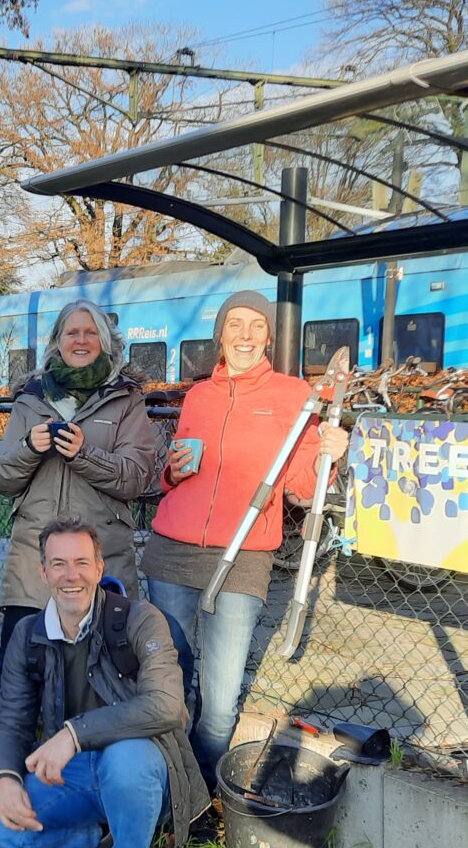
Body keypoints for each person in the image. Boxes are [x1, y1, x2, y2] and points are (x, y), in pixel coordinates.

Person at [142, 291, 349, 781]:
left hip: (244, 558)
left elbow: (302, 488)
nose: (245, 336)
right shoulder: (199, 396)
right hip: (173, 551)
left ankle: (201, 793)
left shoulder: (293, 395)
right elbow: (174, 477)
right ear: (220, 334)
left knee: (219, 699)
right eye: (235, 324)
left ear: (270, 337)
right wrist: (171, 472)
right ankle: (169, 787)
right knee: (171, 682)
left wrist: (330, 455)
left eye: (257, 326)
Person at [0, 517, 207, 848]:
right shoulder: (28, 634)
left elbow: (167, 705)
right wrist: (5, 779)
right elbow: (10, 719)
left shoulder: (138, 618)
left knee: (127, 758)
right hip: (72, 775)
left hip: (143, 772)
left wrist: (73, 735)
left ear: (99, 568)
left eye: (81, 562)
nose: (70, 575)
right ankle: (92, 838)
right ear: (43, 572)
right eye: (58, 564)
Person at [0, 301, 158, 775]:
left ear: (105, 341)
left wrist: (85, 454)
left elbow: (137, 478)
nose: (80, 341)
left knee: (98, 674)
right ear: (57, 340)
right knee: (14, 669)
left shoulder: (126, 401)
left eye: (90, 333)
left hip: (97, 566)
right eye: (71, 332)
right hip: (34, 565)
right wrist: (29, 448)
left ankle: (89, 774)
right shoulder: (29, 400)